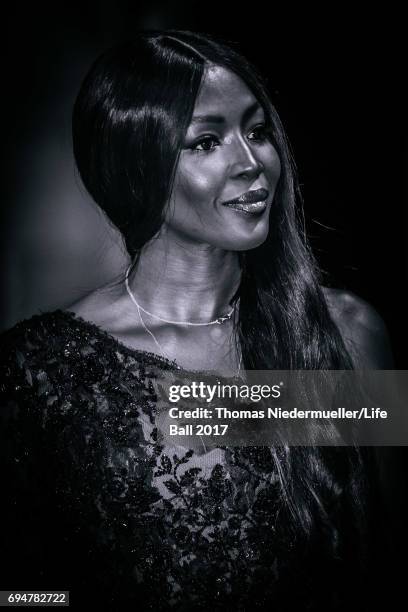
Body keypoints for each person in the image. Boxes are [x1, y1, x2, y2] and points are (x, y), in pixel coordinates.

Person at [0, 30, 394, 610]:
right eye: (207, 142)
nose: (251, 162)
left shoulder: (346, 333)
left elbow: (388, 567)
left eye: (257, 132)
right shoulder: (38, 372)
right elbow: (19, 594)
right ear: (136, 168)